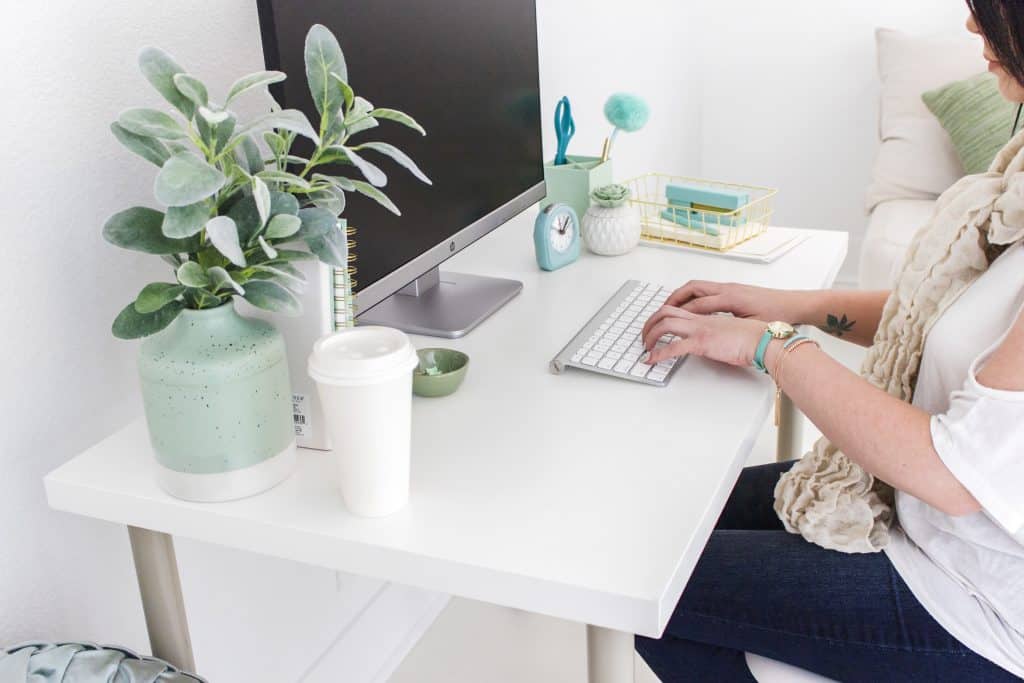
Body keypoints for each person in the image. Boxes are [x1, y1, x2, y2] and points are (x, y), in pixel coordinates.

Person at [633, 3, 1024, 680]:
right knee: (673, 511)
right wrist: (792, 306)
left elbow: (954, 474)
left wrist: (772, 346)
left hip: (973, 599)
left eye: (989, 13)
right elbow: (943, 316)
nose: (972, 30)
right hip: (916, 517)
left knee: (650, 579)